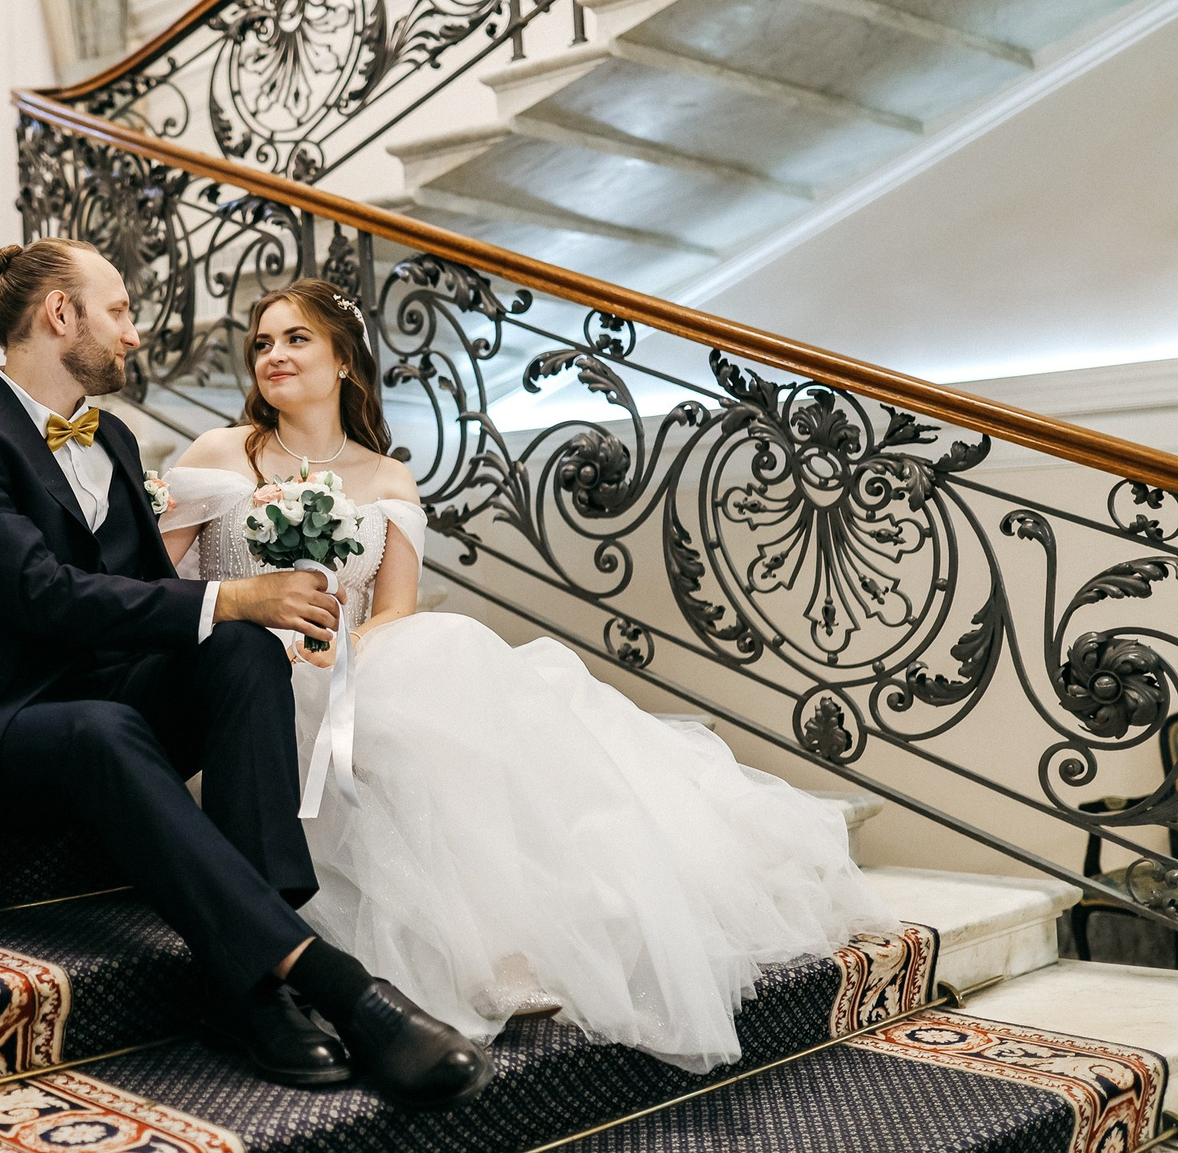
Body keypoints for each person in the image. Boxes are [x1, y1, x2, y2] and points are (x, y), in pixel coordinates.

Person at [158, 278, 897, 1073]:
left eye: (296, 338)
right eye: (262, 342)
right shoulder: (219, 454)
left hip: (340, 662)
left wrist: (341, 650)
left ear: (344, 360)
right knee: (425, 689)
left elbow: (394, 608)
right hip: (240, 676)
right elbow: (154, 588)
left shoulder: (388, 479)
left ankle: (499, 943)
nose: (273, 354)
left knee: (447, 653)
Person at [0, 239, 495, 1108]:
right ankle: (320, 985)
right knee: (122, 713)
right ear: (61, 315)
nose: (133, 334)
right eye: (119, 311)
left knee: (243, 648)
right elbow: (43, 594)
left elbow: (149, 589)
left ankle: (243, 975)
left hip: (109, 699)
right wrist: (236, 593)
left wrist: (259, 619)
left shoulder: (112, 435)